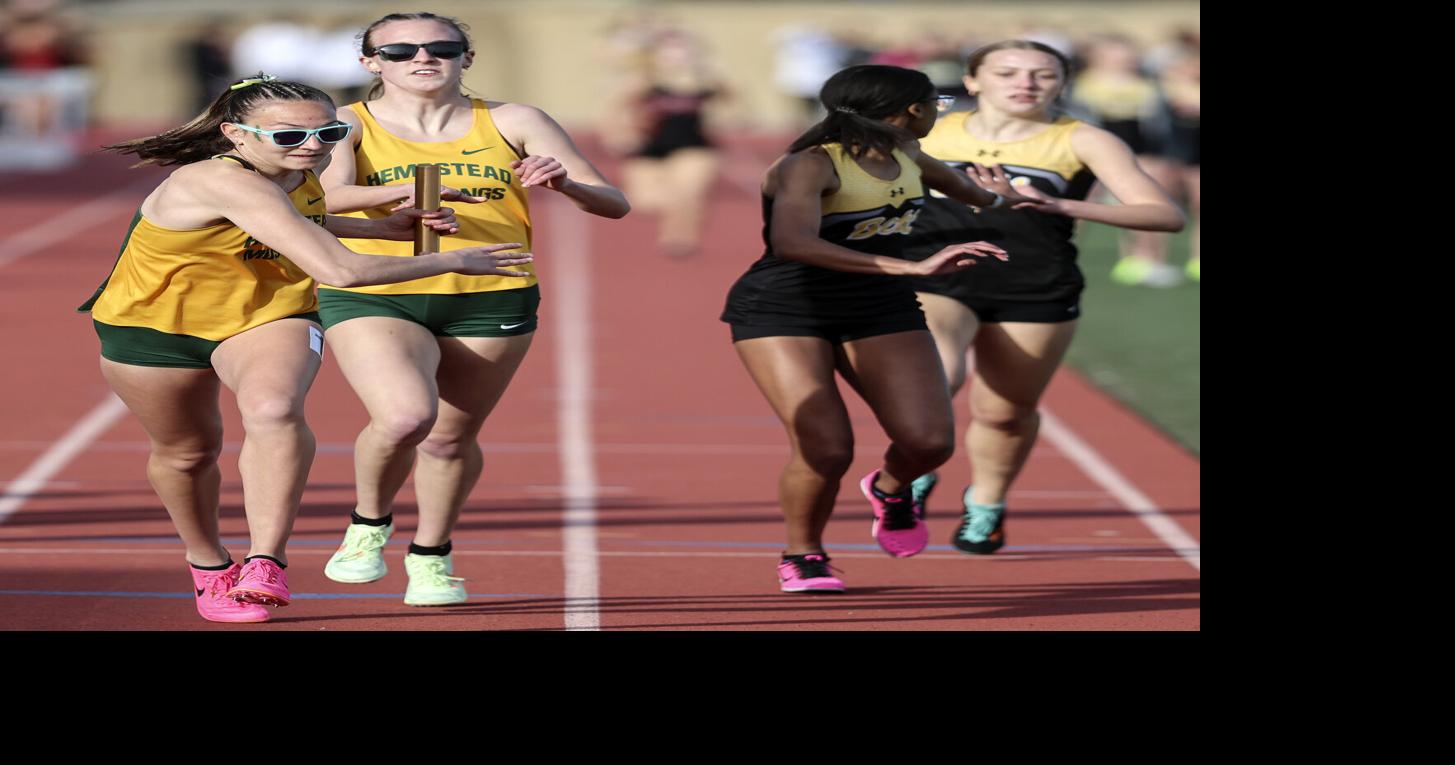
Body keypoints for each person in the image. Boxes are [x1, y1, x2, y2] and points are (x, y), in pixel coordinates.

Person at [80, 74, 534, 624]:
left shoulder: (298, 170)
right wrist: (452, 260)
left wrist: (388, 228)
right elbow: (339, 268)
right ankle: (208, 564)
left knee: (273, 407)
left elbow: (300, 221)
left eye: (328, 133)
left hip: (265, 314)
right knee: (187, 454)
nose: (313, 146)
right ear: (235, 135)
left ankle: (265, 560)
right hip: (153, 326)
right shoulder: (221, 181)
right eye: (290, 136)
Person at [316, 12, 628, 606]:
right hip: (382, 287)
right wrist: (403, 191)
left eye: (440, 47)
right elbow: (324, 195)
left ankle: (431, 555)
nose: (422, 58)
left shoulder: (514, 120)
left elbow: (613, 203)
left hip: (493, 290)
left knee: (449, 439)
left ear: (467, 56)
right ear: (370, 63)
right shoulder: (348, 124)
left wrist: (564, 183)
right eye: (401, 50)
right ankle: (367, 524)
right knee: (407, 418)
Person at [720, 64, 1038, 593]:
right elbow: (793, 242)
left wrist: (1008, 198)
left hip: (877, 306)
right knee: (826, 447)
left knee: (930, 442)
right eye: (937, 102)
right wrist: (912, 267)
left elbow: (966, 189)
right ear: (911, 110)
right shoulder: (810, 165)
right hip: (784, 308)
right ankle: (803, 554)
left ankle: (891, 490)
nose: (942, 111)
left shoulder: (906, 153)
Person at [902, 40, 1184, 555]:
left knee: (1005, 412)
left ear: (1062, 83)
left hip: (1033, 285)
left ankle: (985, 504)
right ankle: (912, 475)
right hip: (937, 275)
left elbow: (1163, 215)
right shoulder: (930, 131)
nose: (1024, 83)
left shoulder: (1083, 140)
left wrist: (1057, 205)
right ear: (973, 81)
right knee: (937, 375)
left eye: (1042, 74)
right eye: (1007, 71)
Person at [607, 28, 724, 258]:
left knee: (689, 193)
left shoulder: (707, 82)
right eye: (670, 52)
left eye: (683, 51)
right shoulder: (645, 82)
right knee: (645, 202)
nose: (677, 57)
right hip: (651, 146)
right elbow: (615, 109)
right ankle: (679, 221)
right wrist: (620, 134)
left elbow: (736, 104)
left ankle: (680, 238)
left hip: (694, 145)